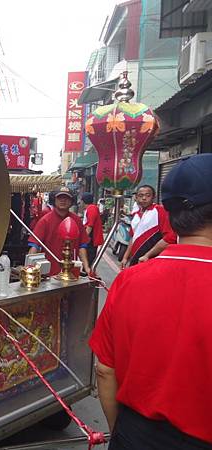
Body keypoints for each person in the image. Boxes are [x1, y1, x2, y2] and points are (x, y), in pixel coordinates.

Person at [89, 153, 212, 448]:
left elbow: (105, 369)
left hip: (135, 432)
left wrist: (123, 434)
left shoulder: (129, 281)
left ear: (167, 213)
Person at [28, 187, 91, 276]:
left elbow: (82, 246)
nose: (63, 200)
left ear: (71, 201)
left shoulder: (76, 220)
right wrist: (29, 268)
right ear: (54, 199)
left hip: (71, 273)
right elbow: (34, 246)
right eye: (60, 198)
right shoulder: (45, 221)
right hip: (49, 273)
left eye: (66, 198)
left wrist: (87, 268)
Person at [120, 185, 176, 269]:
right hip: (135, 260)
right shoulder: (135, 215)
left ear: (154, 197)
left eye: (147, 195)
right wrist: (125, 258)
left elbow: (170, 238)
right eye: (141, 195)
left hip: (152, 261)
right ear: (136, 197)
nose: (144, 198)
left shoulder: (160, 211)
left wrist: (147, 255)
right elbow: (133, 238)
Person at [81, 193, 104, 265]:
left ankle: (88, 272)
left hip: (91, 238)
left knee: (89, 258)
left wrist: (84, 239)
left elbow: (90, 225)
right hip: (90, 238)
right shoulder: (90, 208)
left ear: (84, 201)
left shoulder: (91, 209)